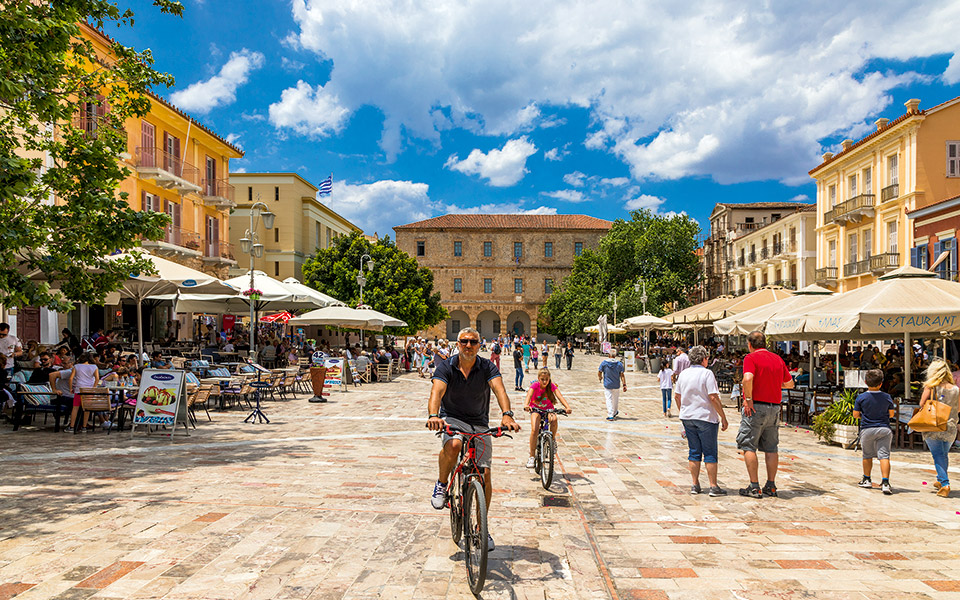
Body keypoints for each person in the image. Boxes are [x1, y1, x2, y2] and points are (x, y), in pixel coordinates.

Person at [426, 327, 520, 552]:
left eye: (473, 342)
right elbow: (436, 393)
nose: (468, 346)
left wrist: (507, 414)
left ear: (480, 345)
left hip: (479, 422)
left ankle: (481, 528)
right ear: (457, 344)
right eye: (464, 341)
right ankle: (441, 484)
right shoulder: (446, 366)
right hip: (452, 418)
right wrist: (433, 416)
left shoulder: (486, 366)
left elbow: (499, 390)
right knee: (455, 444)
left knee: (485, 474)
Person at [736, 331, 794, 498]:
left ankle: (754, 486)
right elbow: (790, 383)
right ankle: (771, 485)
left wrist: (748, 399)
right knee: (771, 447)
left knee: (748, 445)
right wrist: (774, 384)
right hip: (774, 408)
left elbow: (747, 378)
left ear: (750, 344)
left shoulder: (751, 358)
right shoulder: (777, 359)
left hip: (756, 407)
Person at [675, 345, 728, 496]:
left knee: (694, 451)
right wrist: (723, 416)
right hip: (705, 417)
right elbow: (713, 397)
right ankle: (713, 486)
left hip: (688, 417)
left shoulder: (683, 374)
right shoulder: (707, 374)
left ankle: (694, 484)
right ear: (704, 359)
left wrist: (683, 411)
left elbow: (677, 396)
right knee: (710, 452)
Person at [918, 359, 960, 498]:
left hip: (934, 425)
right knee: (943, 454)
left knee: (937, 455)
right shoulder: (956, 389)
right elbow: (959, 408)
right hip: (951, 426)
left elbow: (922, 404)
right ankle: (940, 480)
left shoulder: (931, 386)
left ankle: (945, 483)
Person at [853, 369, 896, 495]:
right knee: (884, 456)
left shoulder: (861, 397)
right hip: (884, 428)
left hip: (867, 429)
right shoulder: (887, 397)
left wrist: (865, 416)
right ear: (881, 383)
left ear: (865, 382)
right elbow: (891, 414)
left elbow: (856, 415)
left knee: (867, 455)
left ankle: (867, 479)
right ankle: (886, 482)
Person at [524, 368, 572, 468]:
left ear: (549, 378)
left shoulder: (552, 386)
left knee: (554, 419)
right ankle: (531, 456)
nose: (545, 381)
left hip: (549, 409)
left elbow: (560, 397)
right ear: (538, 379)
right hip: (536, 409)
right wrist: (526, 405)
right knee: (534, 429)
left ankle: (552, 440)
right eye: (542, 379)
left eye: (547, 379)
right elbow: (529, 395)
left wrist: (567, 407)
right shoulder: (535, 385)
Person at [66, 353, 100, 432]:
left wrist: (71, 388)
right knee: (86, 409)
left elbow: (71, 379)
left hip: (79, 389)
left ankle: (71, 426)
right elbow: (97, 379)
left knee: (75, 408)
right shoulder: (94, 367)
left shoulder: (76, 366)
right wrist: (93, 388)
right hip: (89, 390)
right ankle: (84, 426)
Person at [598, 348, 626, 421]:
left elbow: (599, 371)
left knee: (609, 399)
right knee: (615, 399)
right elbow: (622, 375)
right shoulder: (619, 364)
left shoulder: (604, 363)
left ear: (609, 355)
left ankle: (610, 414)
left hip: (607, 384)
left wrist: (600, 377)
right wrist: (624, 384)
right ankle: (614, 412)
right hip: (616, 384)